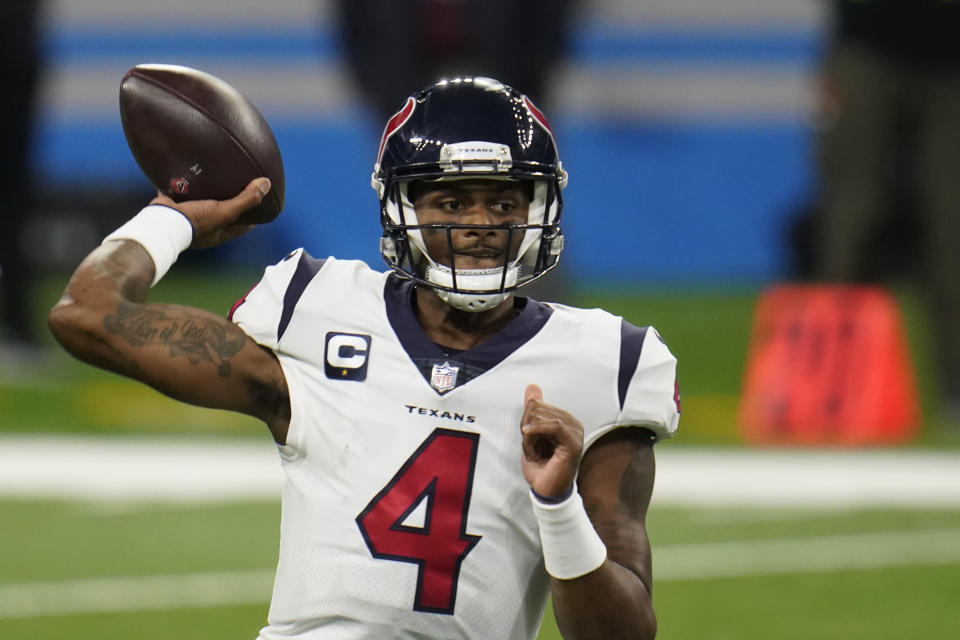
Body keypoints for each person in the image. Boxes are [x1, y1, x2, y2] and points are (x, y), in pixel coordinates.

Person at [49, 77, 679, 639]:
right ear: (402, 209)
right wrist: (172, 220)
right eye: (451, 203)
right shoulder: (314, 308)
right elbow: (85, 315)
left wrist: (559, 505)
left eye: (506, 202)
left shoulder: (607, 364)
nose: (482, 223)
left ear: (542, 209)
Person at [813, 0, 960, 423]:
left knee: (953, 229)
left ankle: (956, 392)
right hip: (868, 38)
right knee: (852, 220)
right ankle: (830, 390)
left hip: (952, 51)